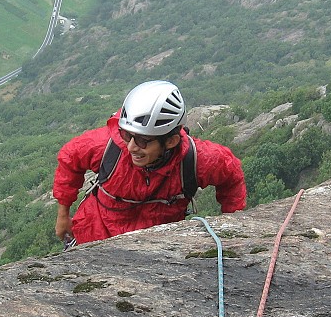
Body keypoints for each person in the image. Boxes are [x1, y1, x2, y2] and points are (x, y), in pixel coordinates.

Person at [53, 80, 247, 246]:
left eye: (142, 141)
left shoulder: (196, 160)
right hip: (93, 237)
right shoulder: (108, 145)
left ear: (170, 141)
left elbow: (231, 175)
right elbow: (70, 158)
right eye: (126, 135)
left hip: (155, 247)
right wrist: (63, 214)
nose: (130, 147)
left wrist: (229, 223)